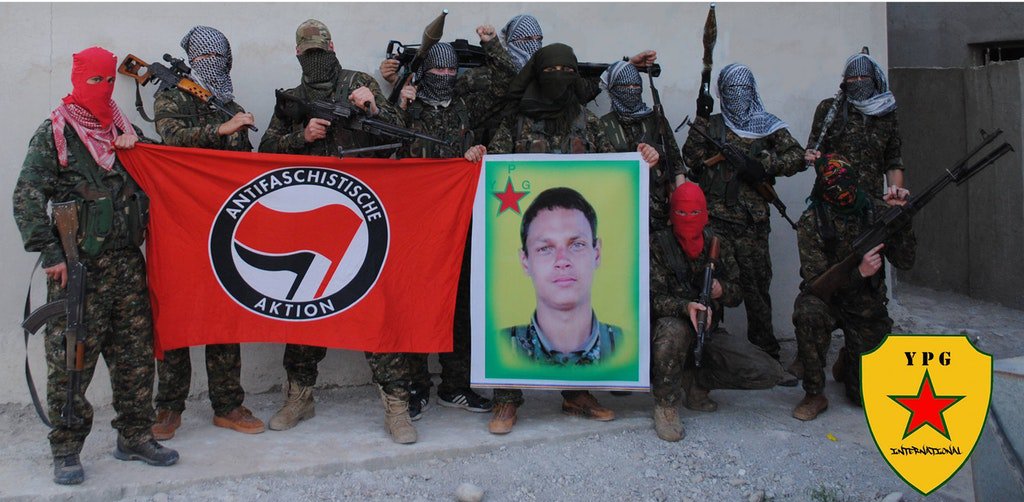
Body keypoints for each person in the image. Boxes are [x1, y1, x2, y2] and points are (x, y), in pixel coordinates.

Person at [12, 46, 179, 485]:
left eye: (108, 80)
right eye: (94, 80)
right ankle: (66, 448)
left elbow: (162, 166)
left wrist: (138, 146)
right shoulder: (56, 132)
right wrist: (51, 255)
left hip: (126, 264)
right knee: (72, 362)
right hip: (78, 269)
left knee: (135, 358)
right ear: (77, 80)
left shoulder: (120, 127)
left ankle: (135, 436)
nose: (103, 88)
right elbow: (27, 197)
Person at [485, 43, 659, 435]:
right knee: (513, 306)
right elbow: (491, 167)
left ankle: (577, 393)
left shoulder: (587, 121)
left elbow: (617, 169)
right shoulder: (516, 123)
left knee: (576, 313)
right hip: (527, 235)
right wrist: (478, 155)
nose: (559, 78)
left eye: (567, 71)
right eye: (551, 70)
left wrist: (643, 158)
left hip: (575, 232)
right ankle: (506, 397)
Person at [258, 19, 417, 444]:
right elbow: (265, 151)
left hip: (366, 216)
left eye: (320, 51)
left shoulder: (358, 82)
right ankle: (299, 397)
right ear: (298, 54)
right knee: (305, 312)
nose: (316, 59)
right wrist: (302, 136)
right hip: (312, 220)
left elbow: (402, 138)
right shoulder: (292, 99)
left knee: (376, 311)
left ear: (332, 47)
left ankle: (397, 405)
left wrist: (374, 107)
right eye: (308, 53)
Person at [150, 25, 264, 440]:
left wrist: (235, 128)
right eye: (202, 57)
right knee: (176, 316)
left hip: (223, 225)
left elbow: (242, 165)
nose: (209, 64)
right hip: (179, 223)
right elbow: (171, 139)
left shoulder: (229, 104)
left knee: (224, 314)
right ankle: (169, 407)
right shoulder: (172, 94)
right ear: (190, 59)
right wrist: (221, 130)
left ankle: (228, 404)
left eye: (216, 57)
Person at [681, 63, 806, 365]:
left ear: (752, 91)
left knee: (756, 290)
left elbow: (798, 157)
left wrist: (762, 166)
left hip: (752, 226)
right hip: (715, 224)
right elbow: (691, 159)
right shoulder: (711, 126)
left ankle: (767, 356)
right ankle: (708, 354)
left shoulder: (767, 125)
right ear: (722, 93)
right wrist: (701, 116)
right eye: (731, 90)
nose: (737, 96)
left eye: (743, 89)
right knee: (711, 286)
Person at [393, 42, 493, 418]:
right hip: (417, 225)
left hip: (459, 224)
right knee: (418, 305)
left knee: (461, 306)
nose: (446, 77)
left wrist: (475, 154)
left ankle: (457, 386)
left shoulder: (465, 108)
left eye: (452, 71)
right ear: (424, 73)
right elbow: (386, 150)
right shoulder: (409, 107)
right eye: (439, 71)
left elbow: (502, 89)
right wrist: (400, 107)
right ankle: (417, 387)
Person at [649, 183, 785, 442]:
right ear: (671, 214)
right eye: (681, 213)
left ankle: (696, 381)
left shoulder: (717, 242)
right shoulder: (658, 244)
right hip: (670, 331)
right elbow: (650, 298)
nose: (688, 219)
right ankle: (666, 405)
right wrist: (685, 307)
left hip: (709, 331)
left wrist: (721, 290)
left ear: (704, 214)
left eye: (694, 213)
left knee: (768, 371)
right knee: (672, 332)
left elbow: (738, 293)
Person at [791, 155, 915, 421]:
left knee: (864, 398)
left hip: (866, 305)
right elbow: (816, 282)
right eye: (834, 187)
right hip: (827, 301)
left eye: (847, 184)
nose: (843, 193)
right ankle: (814, 393)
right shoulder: (812, 221)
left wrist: (903, 218)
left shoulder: (876, 211)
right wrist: (859, 273)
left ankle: (849, 359)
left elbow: (905, 261)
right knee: (807, 313)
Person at [503, 187, 623, 365]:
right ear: (525, 261)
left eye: (577, 245)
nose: (562, 261)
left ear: (596, 253)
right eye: (545, 248)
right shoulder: (499, 348)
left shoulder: (628, 346)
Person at [598, 60, 686, 231]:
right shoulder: (604, 125)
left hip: (659, 211)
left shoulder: (656, 120)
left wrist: (681, 204)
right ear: (613, 89)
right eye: (625, 86)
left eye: (636, 85)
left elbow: (676, 165)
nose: (632, 90)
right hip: (621, 210)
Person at [804, 52, 904, 200]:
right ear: (845, 82)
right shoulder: (829, 109)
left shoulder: (886, 114)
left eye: (864, 77)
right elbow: (815, 149)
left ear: (874, 80)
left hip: (872, 201)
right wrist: (812, 155)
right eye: (852, 78)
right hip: (832, 201)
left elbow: (893, 161)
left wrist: (895, 195)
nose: (858, 81)